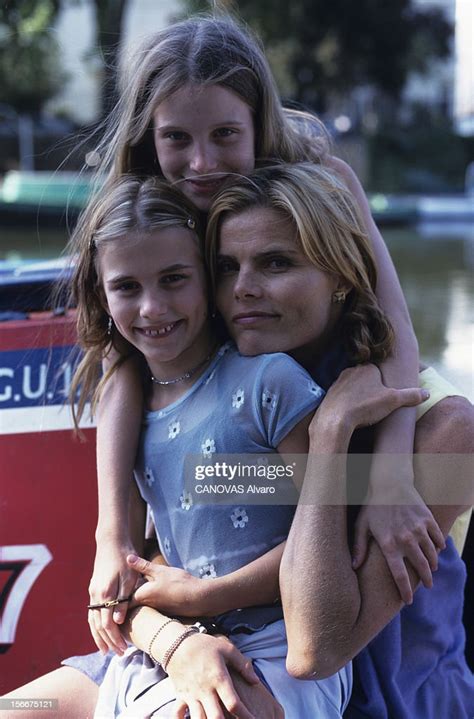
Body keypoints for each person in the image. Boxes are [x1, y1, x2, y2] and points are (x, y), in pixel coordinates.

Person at [80, 15, 445, 659]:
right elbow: (121, 370)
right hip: (245, 422)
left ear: (258, 124)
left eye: (225, 134)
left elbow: (394, 336)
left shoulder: (321, 182)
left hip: (360, 385)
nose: (201, 162)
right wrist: (114, 533)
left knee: (378, 530)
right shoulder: (149, 215)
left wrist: (389, 479)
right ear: (148, 136)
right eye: (176, 138)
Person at [204, 162, 474, 718]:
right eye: (227, 267)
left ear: (343, 278)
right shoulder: (231, 399)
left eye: (276, 262)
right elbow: (161, 552)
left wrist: (331, 435)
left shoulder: (450, 432)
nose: (243, 289)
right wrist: (176, 641)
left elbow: (316, 646)